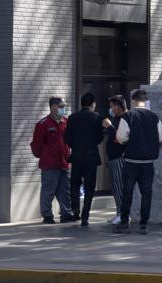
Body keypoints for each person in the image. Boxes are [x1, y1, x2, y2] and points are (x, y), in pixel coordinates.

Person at [114, 89, 162, 234]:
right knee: (146, 193)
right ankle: (144, 224)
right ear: (146, 101)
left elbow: (121, 137)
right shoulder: (154, 117)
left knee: (127, 193)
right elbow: (160, 137)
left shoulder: (127, 116)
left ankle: (124, 223)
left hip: (131, 161)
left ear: (133, 100)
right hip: (148, 162)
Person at [30, 96, 73, 224]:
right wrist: (44, 156)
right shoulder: (43, 124)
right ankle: (47, 215)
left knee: (65, 190)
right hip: (50, 164)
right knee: (48, 191)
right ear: (53, 107)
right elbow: (37, 145)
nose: (63, 109)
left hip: (64, 162)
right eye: (60, 106)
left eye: (63, 106)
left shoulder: (66, 122)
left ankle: (66, 213)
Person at [63, 92, 101, 227]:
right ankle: (85, 215)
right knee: (89, 187)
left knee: (74, 185)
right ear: (93, 104)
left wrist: (76, 145)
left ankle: (75, 211)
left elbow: (66, 138)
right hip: (91, 156)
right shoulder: (97, 117)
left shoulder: (73, 118)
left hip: (77, 156)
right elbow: (99, 138)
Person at [102, 95, 127, 225]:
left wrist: (110, 127)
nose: (111, 109)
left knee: (119, 186)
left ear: (119, 106)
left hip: (119, 158)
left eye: (113, 106)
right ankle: (119, 212)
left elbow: (120, 138)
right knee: (115, 187)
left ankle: (122, 214)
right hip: (113, 157)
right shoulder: (116, 118)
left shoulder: (124, 119)